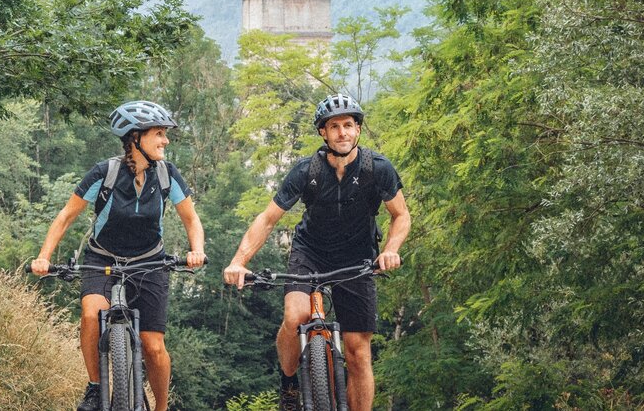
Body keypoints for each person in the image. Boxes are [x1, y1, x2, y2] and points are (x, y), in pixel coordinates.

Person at [223, 94, 410, 411]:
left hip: (358, 258)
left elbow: (401, 215)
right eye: (334, 126)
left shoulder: (377, 169)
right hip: (310, 252)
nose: (342, 132)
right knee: (295, 316)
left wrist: (390, 250)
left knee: (358, 350)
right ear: (323, 132)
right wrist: (239, 262)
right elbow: (268, 219)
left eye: (348, 125)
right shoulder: (306, 171)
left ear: (358, 129)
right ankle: (289, 383)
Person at [31, 100, 206, 411]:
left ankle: (161, 407)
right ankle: (95, 387)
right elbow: (65, 217)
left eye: (165, 134)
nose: (165, 140)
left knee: (153, 346)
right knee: (91, 315)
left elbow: (191, 219)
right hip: (102, 259)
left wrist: (197, 251)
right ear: (135, 137)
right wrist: (44, 257)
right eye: (159, 134)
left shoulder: (167, 174)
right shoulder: (106, 173)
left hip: (150, 261)